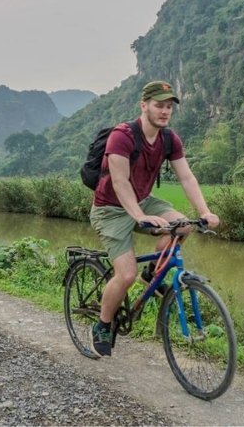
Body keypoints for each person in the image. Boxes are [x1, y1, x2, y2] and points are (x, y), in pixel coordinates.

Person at [89, 80, 220, 358]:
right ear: (144, 105)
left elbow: (186, 177)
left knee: (184, 225)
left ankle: (154, 272)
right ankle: (102, 324)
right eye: (159, 105)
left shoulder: (169, 139)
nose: (164, 111)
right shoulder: (122, 136)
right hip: (110, 208)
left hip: (144, 201)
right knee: (125, 275)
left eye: (169, 106)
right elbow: (120, 182)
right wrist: (140, 216)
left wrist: (205, 212)